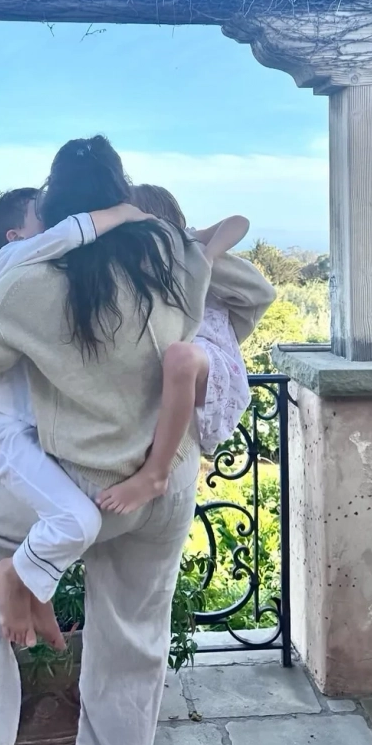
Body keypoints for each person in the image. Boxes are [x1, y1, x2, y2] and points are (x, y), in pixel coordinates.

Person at [0, 135, 275, 745]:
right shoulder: (165, 255)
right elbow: (238, 285)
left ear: (56, 207)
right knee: (131, 655)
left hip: (90, 485)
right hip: (167, 483)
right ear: (120, 195)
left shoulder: (28, 284)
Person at [0, 187, 153, 647]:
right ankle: (13, 575)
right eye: (39, 214)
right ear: (14, 237)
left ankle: (34, 591)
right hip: (1, 430)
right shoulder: (8, 262)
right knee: (77, 521)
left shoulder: (40, 276)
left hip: (24, 432)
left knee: (61, 517)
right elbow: (71, 231)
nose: (49, 219)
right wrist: (125, 209)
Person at [97, 183, 253, 514]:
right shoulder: (135, 266)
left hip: (211, 358)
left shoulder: (188, 246)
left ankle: (157, 473)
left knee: (180, 357)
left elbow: (239, 222)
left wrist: (206, 256)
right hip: (187, 355)